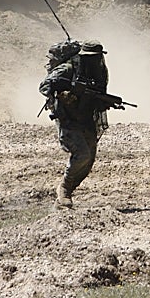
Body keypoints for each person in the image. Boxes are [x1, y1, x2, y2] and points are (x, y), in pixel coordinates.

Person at [40, 40, 110, 208]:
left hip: (86, 118)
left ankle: (68, 191)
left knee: (89, 159)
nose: (95, 60)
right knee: (82, 154)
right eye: (91, 57)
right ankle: (63, 189)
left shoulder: (99, 71)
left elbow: (99, 94)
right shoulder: (68, 69)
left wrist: (104, 102)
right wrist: (64, 94)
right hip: (68, 119)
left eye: (97, 57)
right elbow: (44, 85)